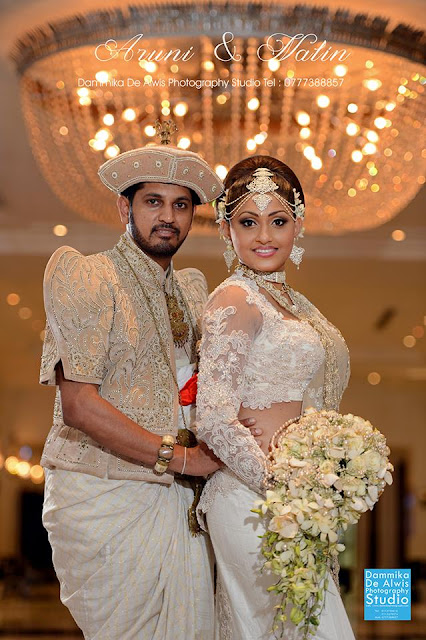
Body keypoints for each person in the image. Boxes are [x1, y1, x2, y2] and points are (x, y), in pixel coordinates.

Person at [39, 135, 260, 640]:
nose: (168, 217)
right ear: (126, 208)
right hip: (105, 496)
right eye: (153, 201)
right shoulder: (89, 276)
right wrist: (182, 459)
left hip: (181, 499)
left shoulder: (193, 290)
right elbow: (78, 405)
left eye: (181, 205)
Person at [195, 156, 355, 639]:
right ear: (226, 230)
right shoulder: (235, 299)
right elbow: (214, 419)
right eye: (248, 222)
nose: (264, 236)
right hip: (254, 500)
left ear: (298, 224)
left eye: (278, 221)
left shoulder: (292, 302)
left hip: (288, 499)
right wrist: (282, 488)